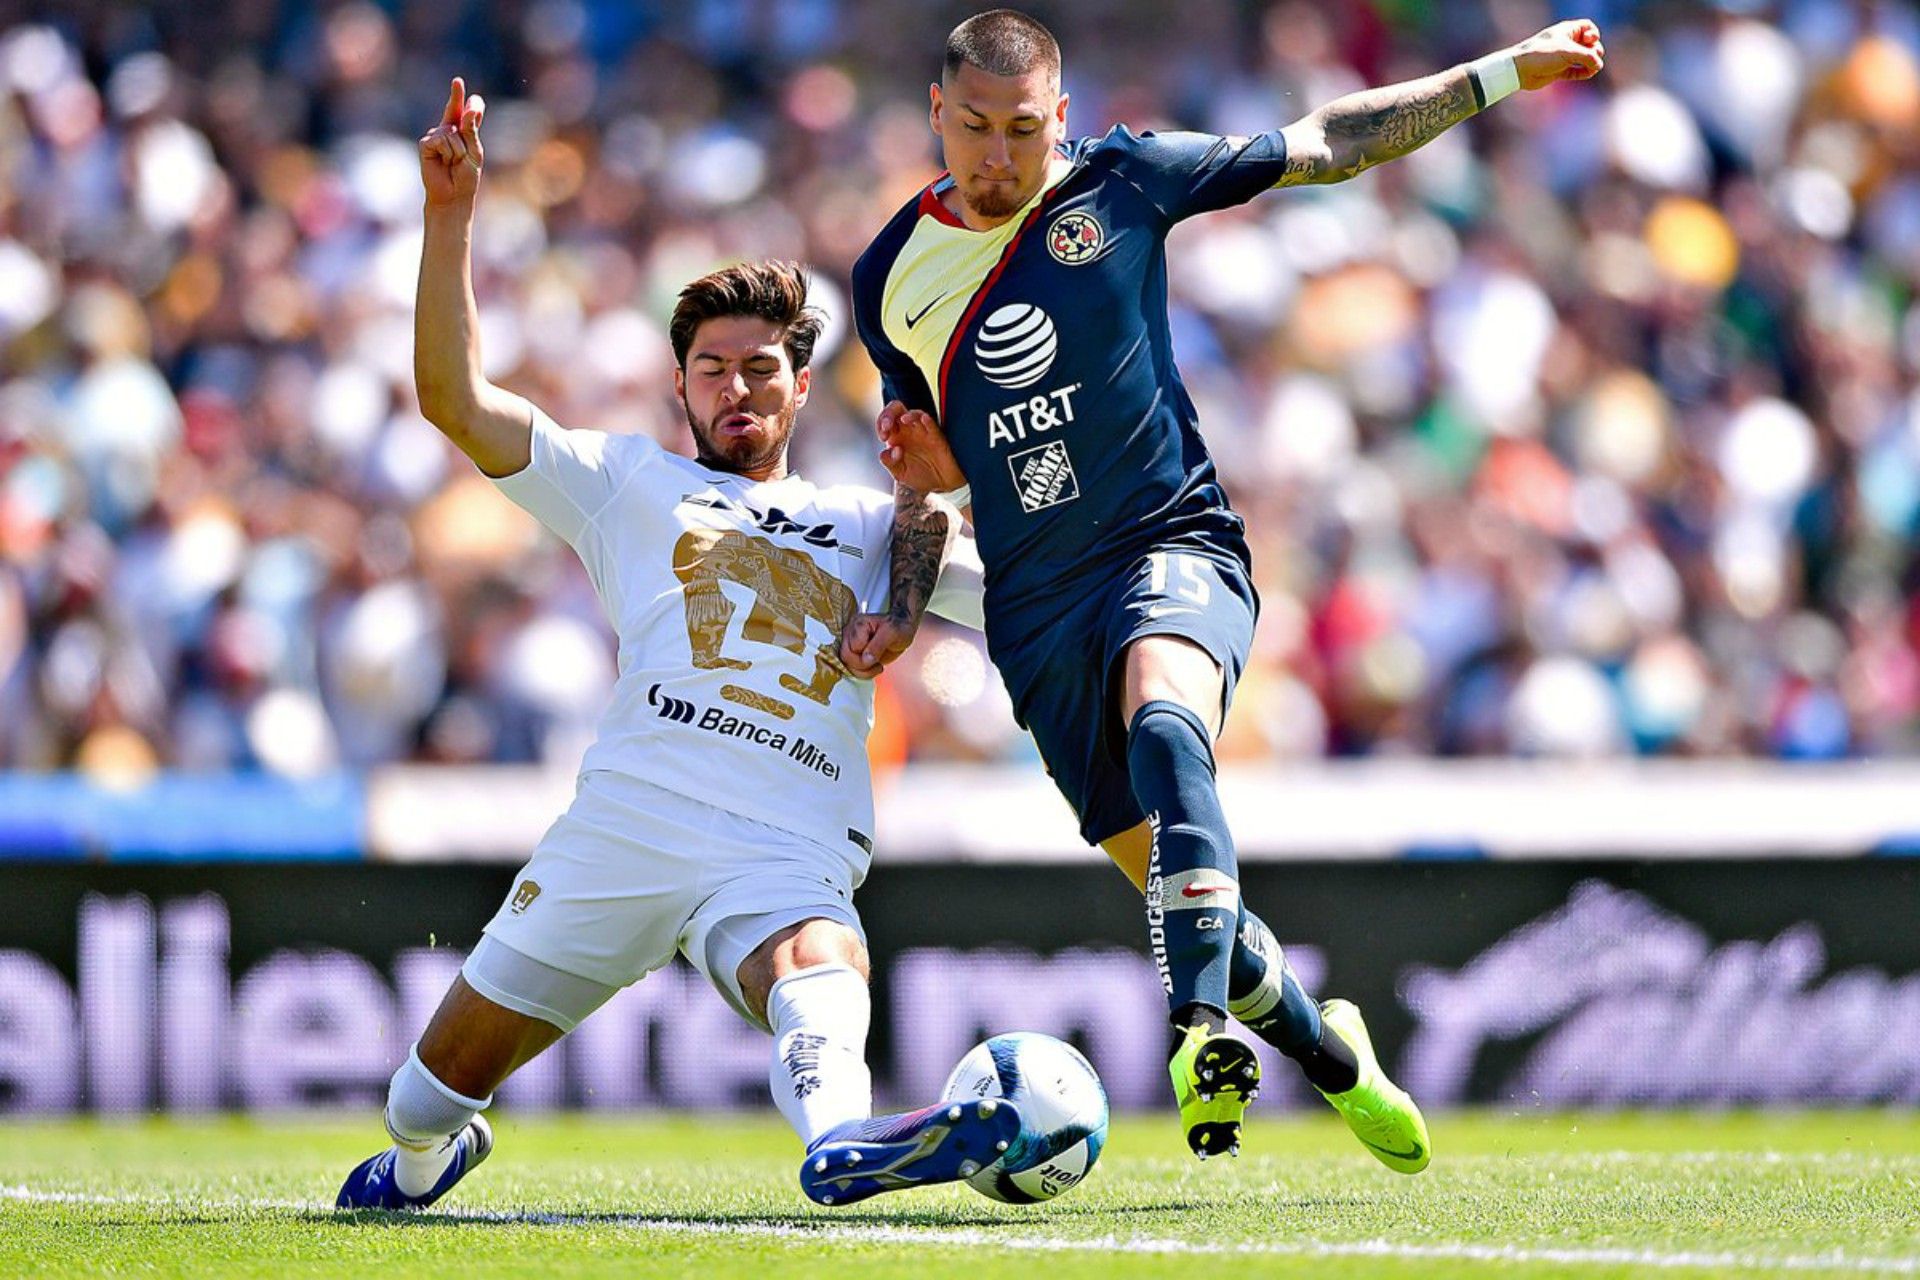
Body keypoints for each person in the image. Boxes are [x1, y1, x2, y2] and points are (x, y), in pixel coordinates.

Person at [851, 10, 1606, 1167]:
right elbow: (931, 466)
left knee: (1168, 714)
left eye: (1020, 130)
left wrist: (1503, 72)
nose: (996, 156)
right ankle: (1329, 1051)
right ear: (934, 116)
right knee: (1182, 892)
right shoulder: (888, 276)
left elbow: (1327, 141)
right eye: (972, 130)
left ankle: (1198, 1030)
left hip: (1171, 541)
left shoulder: (1124, 182)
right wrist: (904, 606)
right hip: (1037, 611)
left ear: (1061, 119)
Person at [337, 78, 1013, 1213]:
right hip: (629, 823)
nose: (737, 387)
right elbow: (453, 399)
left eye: (761, 368)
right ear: (682, 385)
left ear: (801, 385)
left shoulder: (873, 521)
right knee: (431, 1086)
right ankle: (425, 1155)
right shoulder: (624, 484)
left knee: (817, 962)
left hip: (785, 826)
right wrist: (451, 215)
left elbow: (1027, 604)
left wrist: (976, 499)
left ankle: (843, 1143)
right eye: (713, 367)